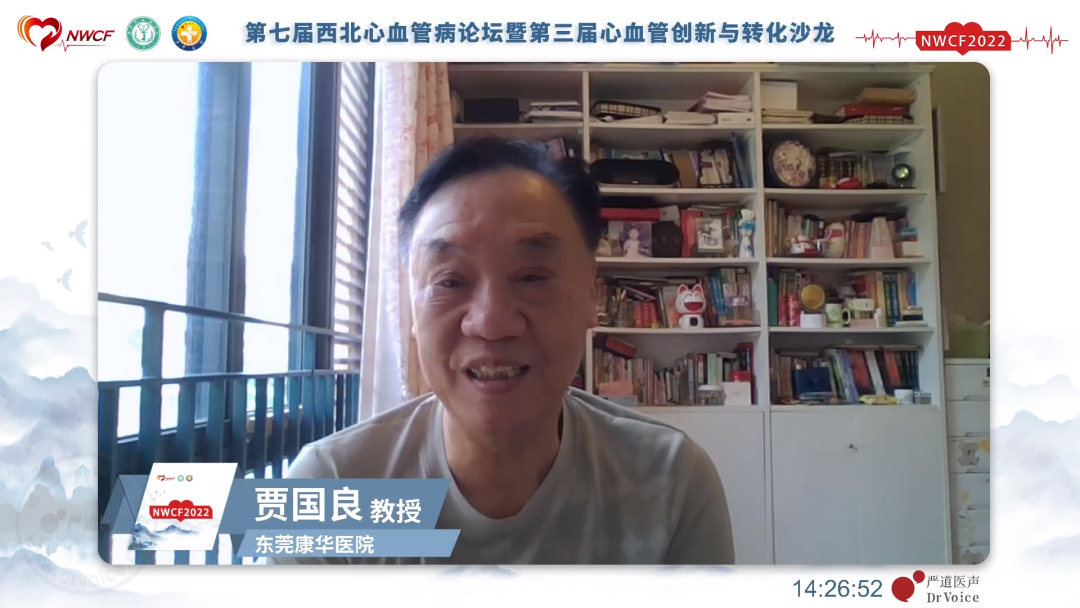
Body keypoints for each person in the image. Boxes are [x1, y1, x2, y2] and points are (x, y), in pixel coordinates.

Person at [275, 137, 735, 565]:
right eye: (450, 281)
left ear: (591, 294)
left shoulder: (672, 485)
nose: (491, 323)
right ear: (411, 311)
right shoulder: (327, 490)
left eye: (532, 277)